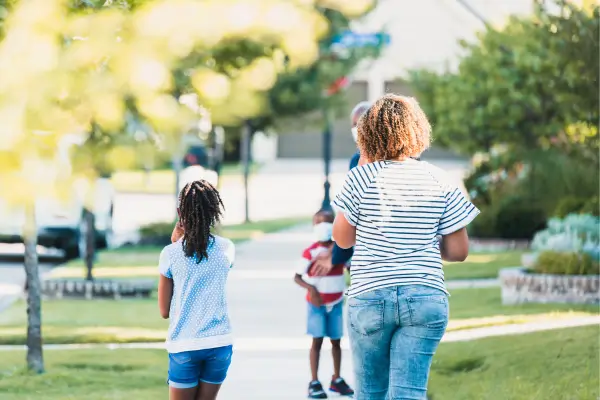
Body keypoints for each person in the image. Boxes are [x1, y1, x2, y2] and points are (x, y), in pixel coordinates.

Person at [331, 94, 480, 400]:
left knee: (370, 392)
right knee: (408, 394)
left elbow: (342, 239)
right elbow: (458, 251)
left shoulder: (359, 178)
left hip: (370, 295)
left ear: (366, 133)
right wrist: (420, 243)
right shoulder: (440, 179)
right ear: (417, 131)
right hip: (425, 295)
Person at [158, 180, 235, 400]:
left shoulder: (169, 254)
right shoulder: (227, 249)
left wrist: (175, 242)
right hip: (220, 343)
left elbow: (164, 311)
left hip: (185, 345)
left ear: (179, 213)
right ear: (214, 211)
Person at [294, 209, 354, 399]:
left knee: (336, 341)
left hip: (336, 302)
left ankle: (336, 379)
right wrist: (312, 289)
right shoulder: (310, 252)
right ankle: (314, 381)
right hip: (316, 304)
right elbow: (297, 277)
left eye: (328, 222)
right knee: (317, 341)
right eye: (319, 222)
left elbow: (352, 269)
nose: (323, 226)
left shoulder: (340, 253)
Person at [330, 101, 371, 269]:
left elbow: (350, 218)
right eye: (353, 124)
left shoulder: (359, 162)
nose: (356, 128)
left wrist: (336, 258)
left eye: (359, 123)